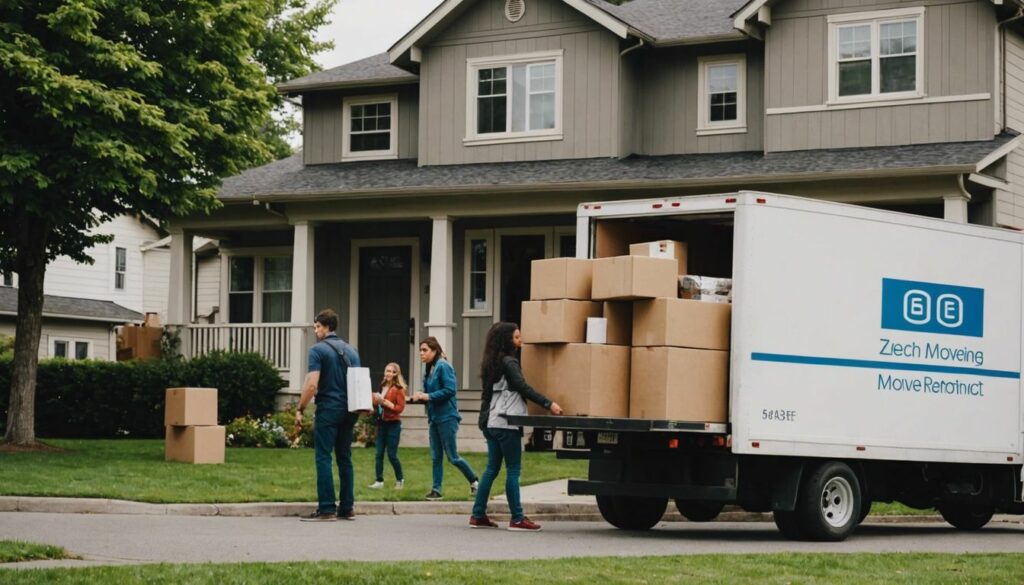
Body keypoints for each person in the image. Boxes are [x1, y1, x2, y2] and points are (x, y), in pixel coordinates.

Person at [470, 322, 562, 531]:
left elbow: (486, 395)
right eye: (517, 337)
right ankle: (517, 518)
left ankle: (478, 515)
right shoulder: (510, 362)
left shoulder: (490, 363)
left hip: (492, 422)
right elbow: (523, 387)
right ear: (507, 340)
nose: (521, 341)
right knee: (513, 470)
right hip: (507, 422)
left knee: (491, 469)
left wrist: (483, 420)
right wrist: (549, 403)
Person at [295, 308, 361, 522]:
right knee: (345, 458)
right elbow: (357, 382)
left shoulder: (318, 351)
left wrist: (300, 408)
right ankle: (347, 507)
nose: (315, 331)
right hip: (350, 409)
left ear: (327, 327)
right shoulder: (352, 351)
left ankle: (326, 508)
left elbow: (312, 385)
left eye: (318, 327)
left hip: (328, 408)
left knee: (323, 457)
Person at [411, 336, 479, 501]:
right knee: (436, 457)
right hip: (434, 418)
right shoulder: (429, 367)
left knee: (452, 456)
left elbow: (450, 390)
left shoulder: (443, 366)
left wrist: (427, 396)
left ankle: (475, 482)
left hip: (447, 417)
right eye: (420, 350)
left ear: (435, 350)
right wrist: (420, 396)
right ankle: (436, 490)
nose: (421, 353)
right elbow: (431, 393)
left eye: (425, 350)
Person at [368, 362, 406, 490]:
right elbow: (378, 405)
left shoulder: (399, 389)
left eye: (391, 371)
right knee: (378, 453)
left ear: (396, 374)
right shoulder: (382, 386)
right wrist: (373, 404)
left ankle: (400, 479)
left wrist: (386, 403)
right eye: (387, 371)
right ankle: (379, 481)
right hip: (381, 423)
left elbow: (400, 408)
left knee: (391, 454)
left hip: (393, 424)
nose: (388, 373)